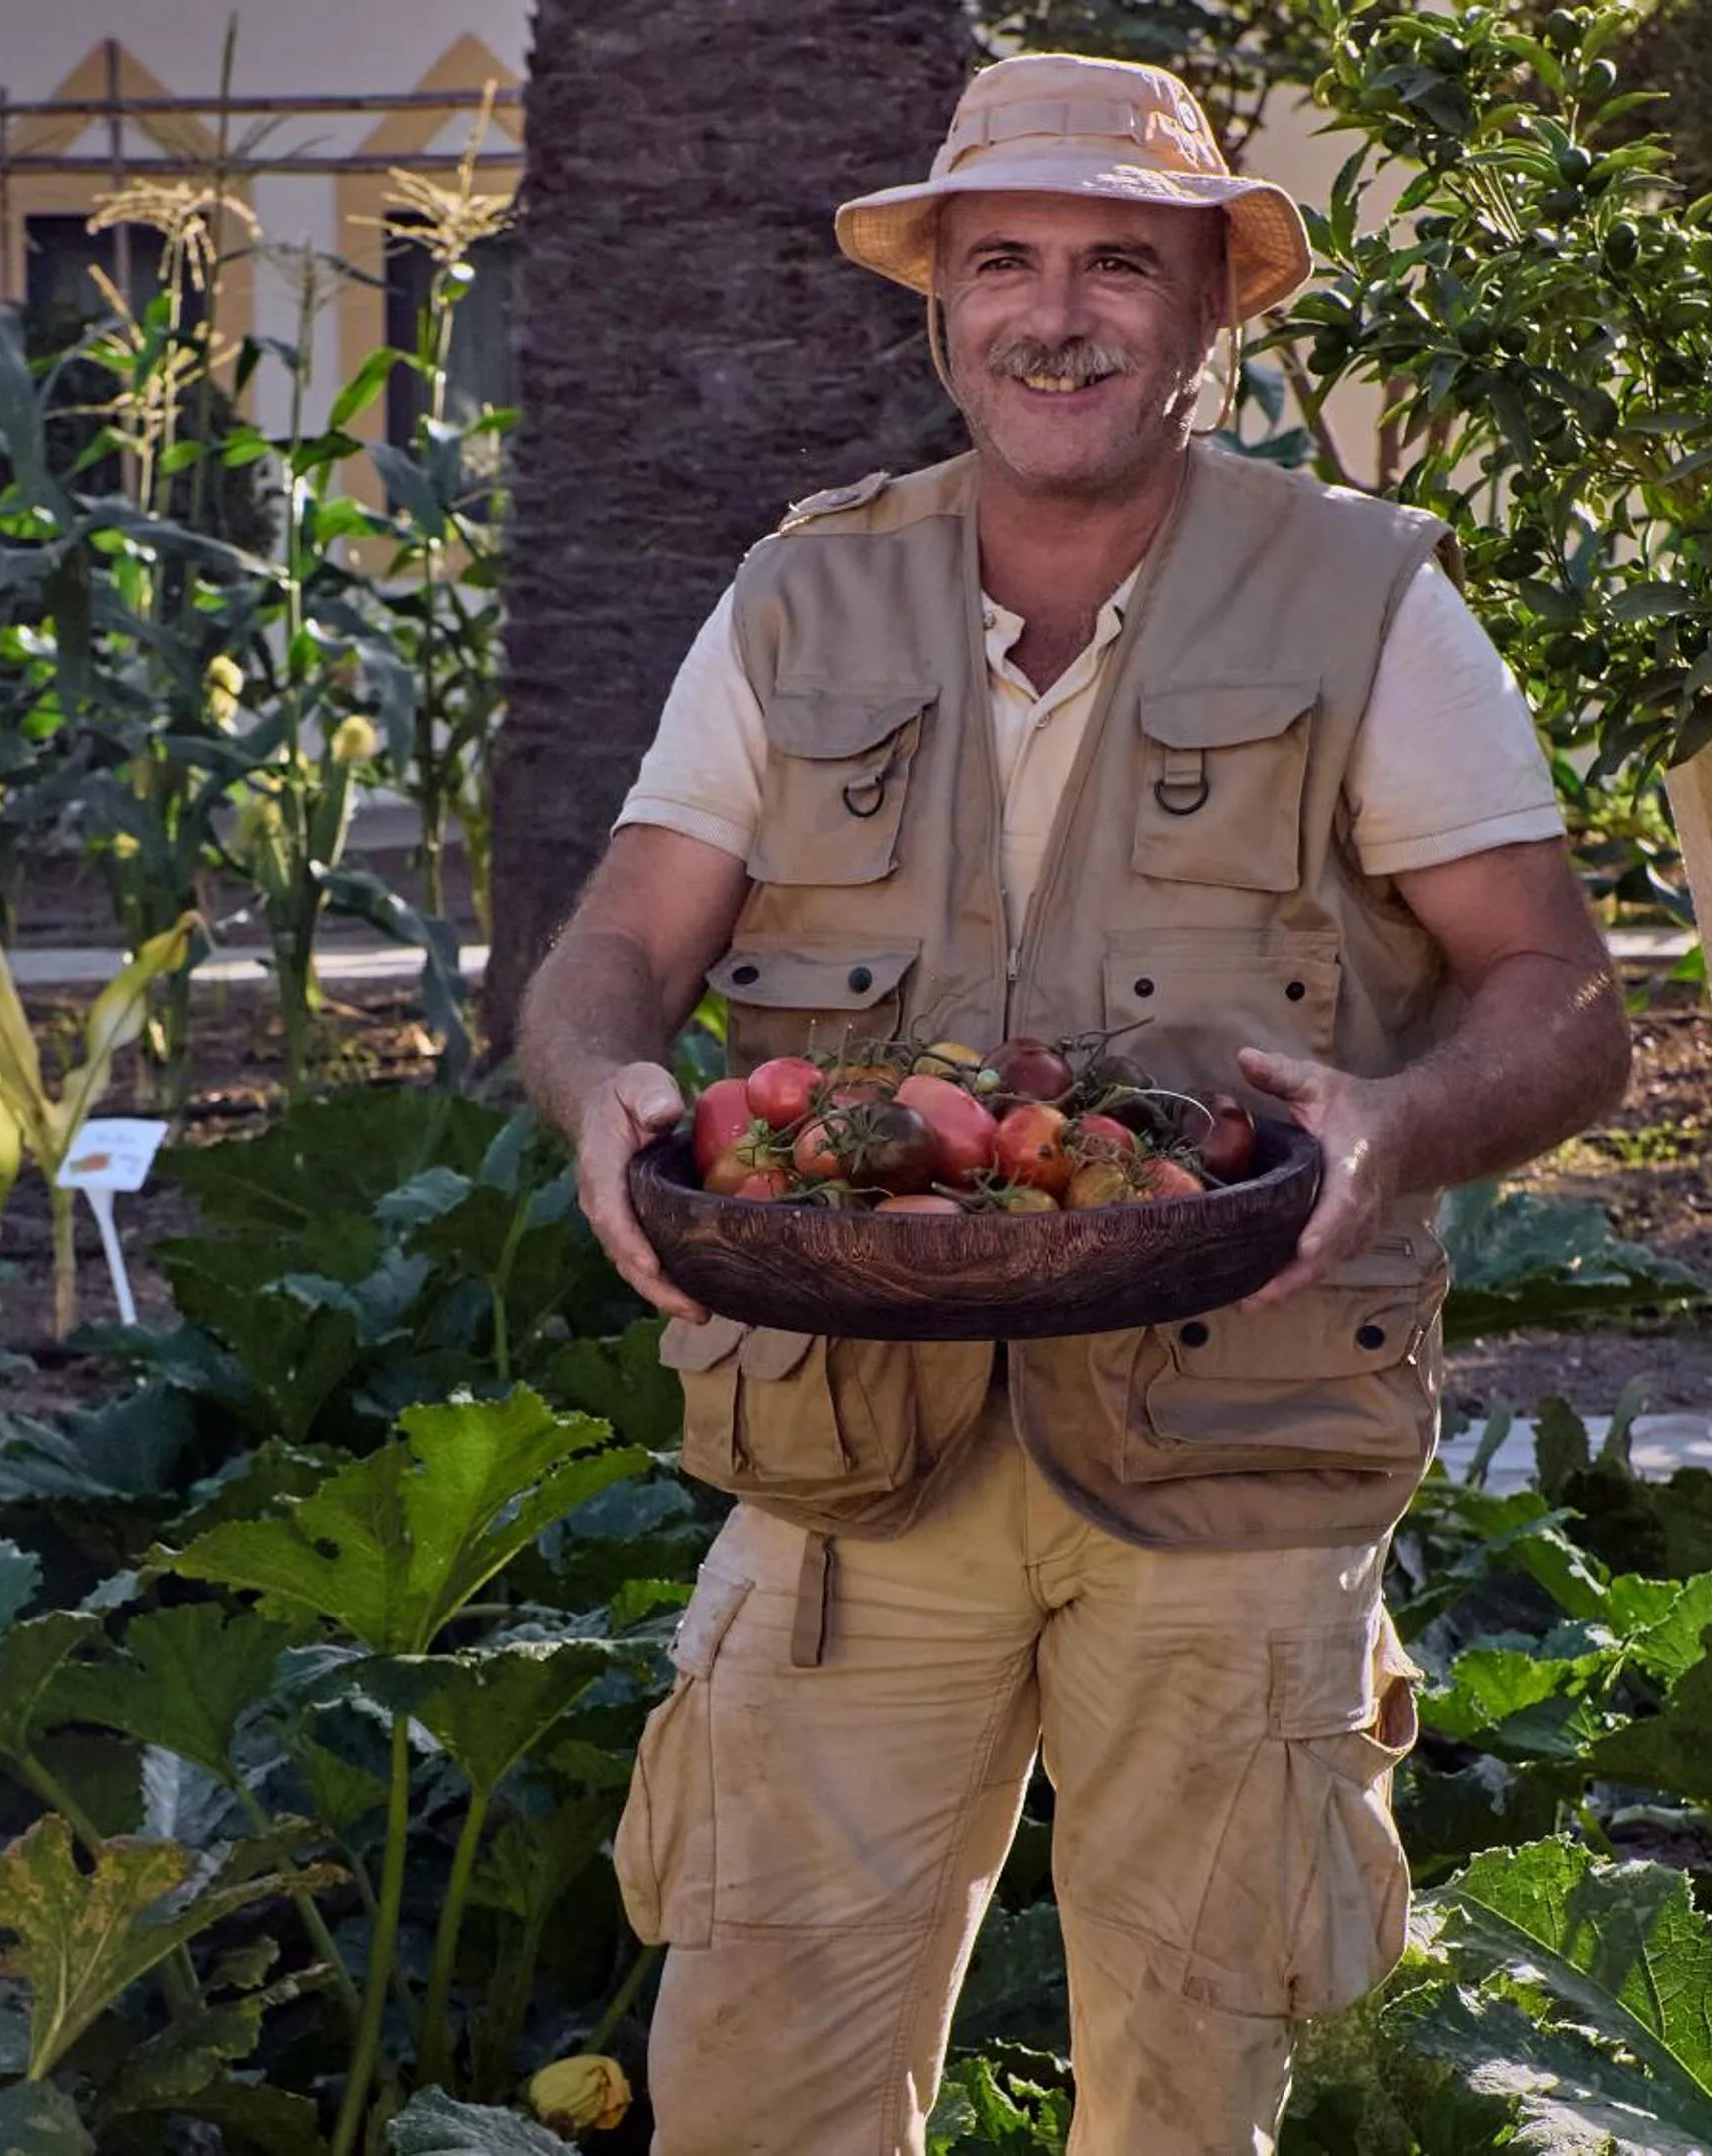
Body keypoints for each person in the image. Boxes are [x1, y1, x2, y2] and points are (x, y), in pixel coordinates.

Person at [517, 51, 1630, 2156]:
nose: (1060, 310)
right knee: (754, 2083)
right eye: (1006, 258)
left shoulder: (1366, 601)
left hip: (1237, 1456)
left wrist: (1391, 1126)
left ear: (1215, 305)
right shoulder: (797, 597)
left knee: (1198, 2097)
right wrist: (605, 1086)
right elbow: (611, 954)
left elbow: (1563, 1001)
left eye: (1124, 261)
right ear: (938, 301)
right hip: (847, 1462)